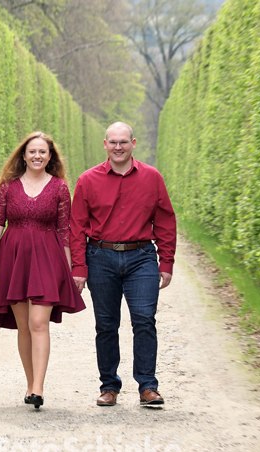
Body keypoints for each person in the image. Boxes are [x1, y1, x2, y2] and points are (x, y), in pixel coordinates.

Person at [0, 132, 86, 409]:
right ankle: (30, 384)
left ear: (50, 157)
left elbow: (64, 231)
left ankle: (39, 388)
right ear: (23, 155)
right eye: (32, 151)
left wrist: (68, 268)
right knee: (24, 327)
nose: (37, 156)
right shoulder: (8, 186)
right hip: (14, 258)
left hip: (47, 259)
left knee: (38, 323)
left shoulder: (59, 188)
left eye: (43, 152)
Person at [69, 122, 176, 407]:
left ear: (133, 143)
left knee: (144, 320)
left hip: (141, 257)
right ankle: (109, 386)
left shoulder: (152, 177)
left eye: (123, 142)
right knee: (106, 324)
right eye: (113, 142)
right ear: (105, 144)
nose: (118, 147)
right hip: (100, 257)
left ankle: (147, 386)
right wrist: (78, 268)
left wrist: (166, 261)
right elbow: (76, 226)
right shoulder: (87, 180)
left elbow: (165, 220)